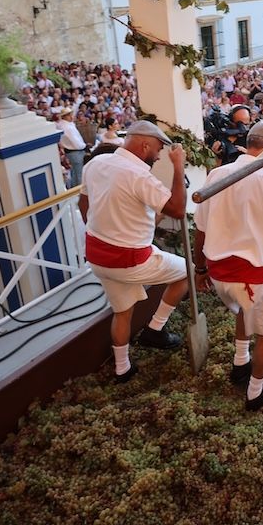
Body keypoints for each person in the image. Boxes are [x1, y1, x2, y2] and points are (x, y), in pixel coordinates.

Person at [194, 121, 263, 410]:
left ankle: (240, 363)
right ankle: (255, 391)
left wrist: (200, 269)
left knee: (245, 311)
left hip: (218, 272)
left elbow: (201, 229)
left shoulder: (218, 174)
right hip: (251, 276)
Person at [78, 120, 189, 383]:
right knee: (187, 272)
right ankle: (155, 329)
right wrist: (178, 166)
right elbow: (178, 209)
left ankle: (122, 368)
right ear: (144, 145)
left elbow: (84, 204)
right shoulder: (138, 175)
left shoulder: (96, 163)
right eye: (159, 149)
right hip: (130, 260)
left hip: (98, 256)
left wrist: (106, 233)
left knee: (122, 311)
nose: (159, 154)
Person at [57, 108, 88, 188]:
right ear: (65, 116)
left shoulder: (66, 125)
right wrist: (84, 146)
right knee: (78, 174)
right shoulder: (67, 127)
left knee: (75, 173)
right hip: (75, 151)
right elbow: (75, 142)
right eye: (69, 115)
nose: (72, 117)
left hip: (73, 151)